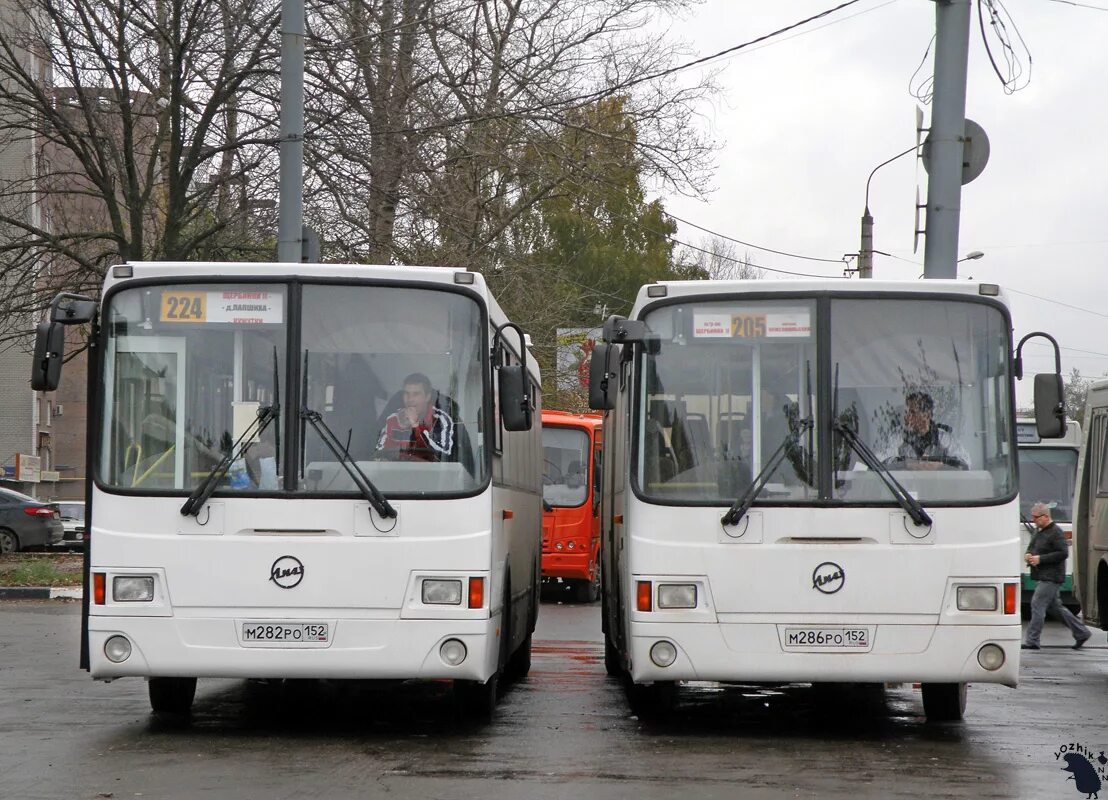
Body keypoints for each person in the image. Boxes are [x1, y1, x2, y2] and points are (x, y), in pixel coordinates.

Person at [1023, 502, 1090, 650]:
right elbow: (1032, 547)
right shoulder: (1038, 531)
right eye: (1032, 517)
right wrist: (1028, 554)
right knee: (1056, 608)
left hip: (1052, 577)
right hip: (1042, 575)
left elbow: (1063, 553)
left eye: (1036, 517)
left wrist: (1040, 559)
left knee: (1037, 603)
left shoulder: (1056, 532)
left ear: (1046, 516)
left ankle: (1032, 640)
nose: (1033, 520)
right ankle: (1081, 632)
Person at [375, 373, 455, 462]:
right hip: (397, 473)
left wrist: (415, 425)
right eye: (406, 394)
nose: (410, 399)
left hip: (429, 474)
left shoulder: (440, 420)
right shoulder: (392, 419)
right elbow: (379, 454)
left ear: (427, 397)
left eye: (416, 394)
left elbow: (442, 458)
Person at [879, 390, 969, 469]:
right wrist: (906, 463)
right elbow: (878, 461)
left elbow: (965, 464)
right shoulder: (897, 435)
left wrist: (940, 465)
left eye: (913, 413)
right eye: (906, 412)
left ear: (927, 415)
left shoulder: (944, 438)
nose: (907, 417)